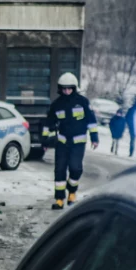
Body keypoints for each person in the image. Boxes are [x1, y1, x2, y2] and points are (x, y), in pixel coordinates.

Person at [42, 73, 98, 210]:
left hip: (78, 144)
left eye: (69, 88)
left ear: (74, 88)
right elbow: (49, 123)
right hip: (62, 143)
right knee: (59, 170)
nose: (67, 91)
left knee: (75, 168)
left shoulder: (83, 102)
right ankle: (59, 199)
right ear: (60, 89)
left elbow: (91, 121)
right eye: (64, 88)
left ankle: (72, 191)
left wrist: (94, 138)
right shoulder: (56, 104)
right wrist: (45, 141)